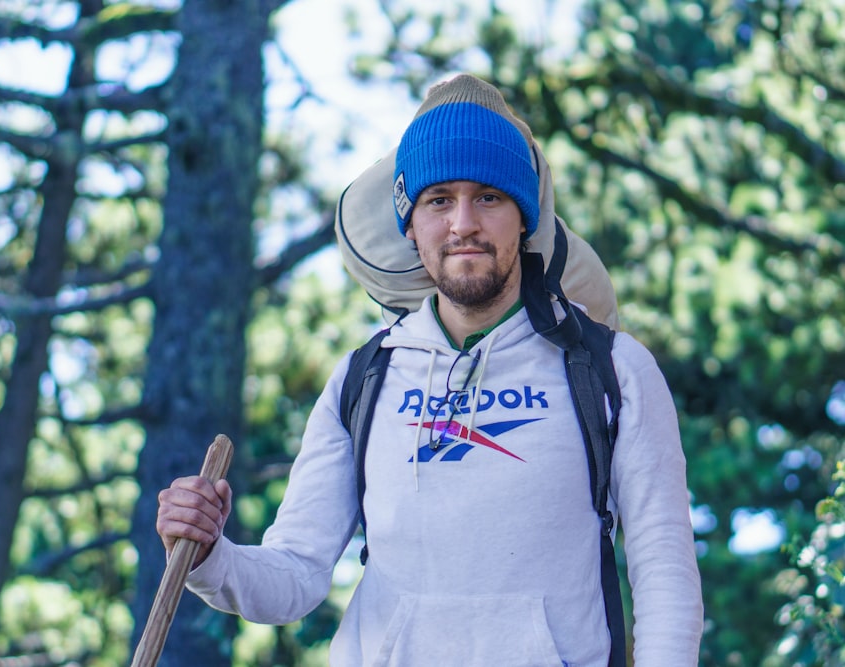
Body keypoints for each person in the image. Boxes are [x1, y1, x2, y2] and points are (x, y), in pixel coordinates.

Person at [156, 74, 704, 666]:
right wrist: (210, 555)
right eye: (438, 199)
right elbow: (296, 574)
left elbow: (665, 570)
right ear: (411, 225)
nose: (463, 223)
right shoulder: (361, 380)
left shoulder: (612, 369)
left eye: (489, 197)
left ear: (522, 218)